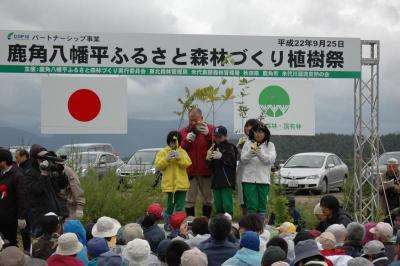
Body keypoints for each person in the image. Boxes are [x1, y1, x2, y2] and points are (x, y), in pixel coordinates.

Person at [25, 145, 69, 235]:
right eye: (41, 157)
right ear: (34, 158)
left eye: (46, 157)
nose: (44, 160)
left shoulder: (50, 172)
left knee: (57, 244)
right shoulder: (29, 174)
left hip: (55, 215)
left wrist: (60, 172)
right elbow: (37, 190)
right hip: (40, 218)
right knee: (42, 245)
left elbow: (61, 187)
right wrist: (43, 174)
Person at [180, 107, 214, 218]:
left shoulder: (211, 128)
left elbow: (216, 146)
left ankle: (206, 221)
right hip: (190, 171)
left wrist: (208, 135)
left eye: (196, 120)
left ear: (202, 118)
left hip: (206, 170)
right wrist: (187, 140)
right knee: (189, 200)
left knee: (208, 199)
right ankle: (190, 223)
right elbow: (181, 150)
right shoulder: (184, 132)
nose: (194, 122)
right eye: (191, 120)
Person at [155, 131, 192, 230]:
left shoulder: (182, 152)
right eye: (171, 142)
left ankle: (178, 225)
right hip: (170, 185)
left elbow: (187, 163)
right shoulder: (163, 152)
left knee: (180, 207)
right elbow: (158, 165)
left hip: (182, 185)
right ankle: (168, 224)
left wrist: (179, 158)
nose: (173, 144)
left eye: (175, 142)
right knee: (170, 207)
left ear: (179, 142)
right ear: (168, 142)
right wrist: (167, 159)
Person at [240, 122, 277, 224]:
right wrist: (250, 154)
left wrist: (260, 154)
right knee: (251, 205)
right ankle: (252, 226)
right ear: (253, 132)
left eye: (261, 132)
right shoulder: (248, 144)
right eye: (256, 132)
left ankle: (261, 227)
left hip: (263, 179)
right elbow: (243, 159)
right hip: (249, 179)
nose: (258, 134)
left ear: (265, 133)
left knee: (262, 205)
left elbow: (270, 160)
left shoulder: (270, 145)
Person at [206, 125, 237, 216]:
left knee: (227, 204)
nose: (217, 139)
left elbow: (231, 161)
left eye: (220, 136)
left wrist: (222, 157)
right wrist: (208, 159)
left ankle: (229, 222)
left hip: (226, 181)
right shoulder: (213, 148)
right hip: (216, 181)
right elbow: (209, 167)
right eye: (215, 136)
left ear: (225, 136)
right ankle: (220, 222)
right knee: (218, 205)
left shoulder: (230, 147)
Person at [0, 148, 27, 247]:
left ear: (3, 162)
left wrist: (21, 217)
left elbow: (22, 197)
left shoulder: (17, 176)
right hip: (1, 215)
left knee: (10, 242)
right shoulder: (2, 173)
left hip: (10, 217)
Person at [236, 119, 259, 216]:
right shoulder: (242, 140)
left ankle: (256, 220)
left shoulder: (261, 140)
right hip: (242, 172)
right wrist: (239, 147)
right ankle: (245, 219)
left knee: (254, 198)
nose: (248, 128)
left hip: (255, 173)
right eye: (246, 126)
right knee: (242, 198)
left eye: (251, 126)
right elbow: (237, 156)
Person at [14, 148, 32, 252]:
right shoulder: (22, 167)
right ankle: (27, 247)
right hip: (26, 203)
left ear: (24, 156)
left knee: (26, 229)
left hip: (27, 203)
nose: (16, 159)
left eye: (17, 157)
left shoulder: (27, 168)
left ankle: (27, 249)